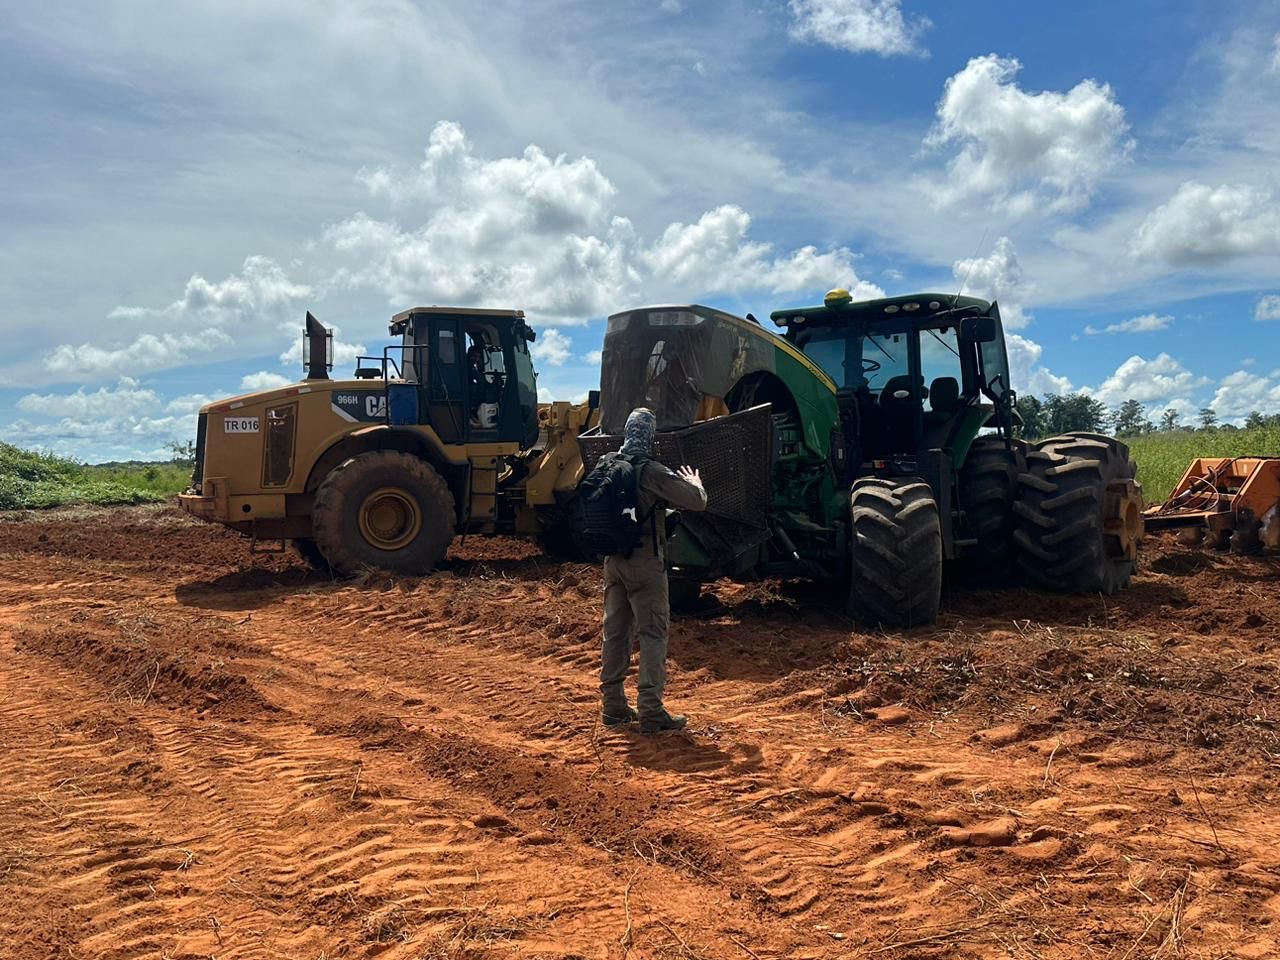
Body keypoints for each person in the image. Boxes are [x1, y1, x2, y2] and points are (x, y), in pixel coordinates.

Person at [600, 407, 708, 734]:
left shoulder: (606, 463)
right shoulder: (651, 470)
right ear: (649, 435)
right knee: (652, 633)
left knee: (615, 632)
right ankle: (650, 710)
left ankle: (614, 707)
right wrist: (695, 482)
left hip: (613, 561)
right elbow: (697, 501)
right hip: (645, 563)